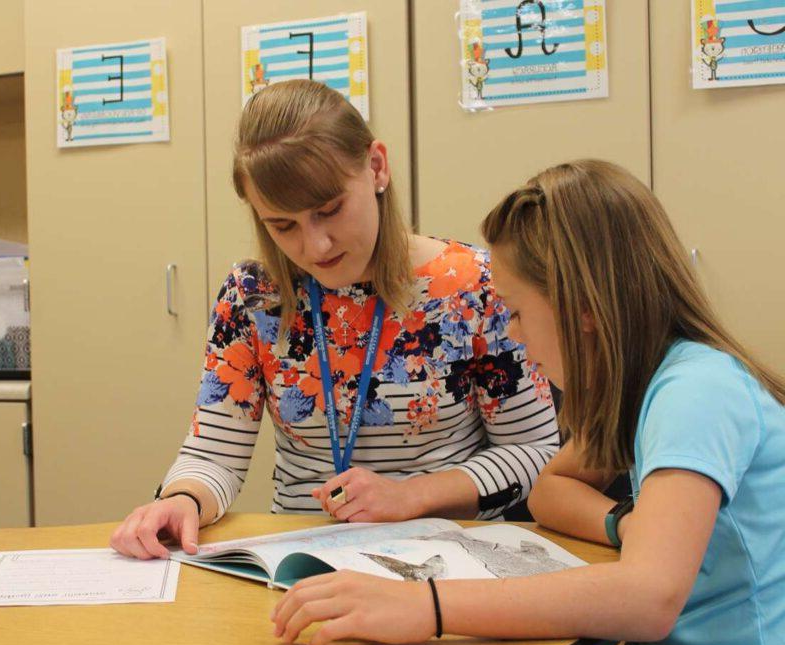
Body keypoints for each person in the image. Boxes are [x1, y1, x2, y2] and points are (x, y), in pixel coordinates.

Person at [272, 159, 785, 645]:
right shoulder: (648, 386)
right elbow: (549, 488)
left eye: (516, 312)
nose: (512, 333)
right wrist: (628, 524)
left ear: (581, 307)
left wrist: (426, 607)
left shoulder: (695, 391)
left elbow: (649, 596)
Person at [110, 79, 558, 560]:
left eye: (330, 210)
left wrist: (411, 496)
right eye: (282, 225)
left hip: (446, 561)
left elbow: (536, 453)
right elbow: (214, 454)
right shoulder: (253, 297)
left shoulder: (471, 286)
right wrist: (182, 500)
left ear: (376, 167)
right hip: (302, 563)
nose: (315, 246)